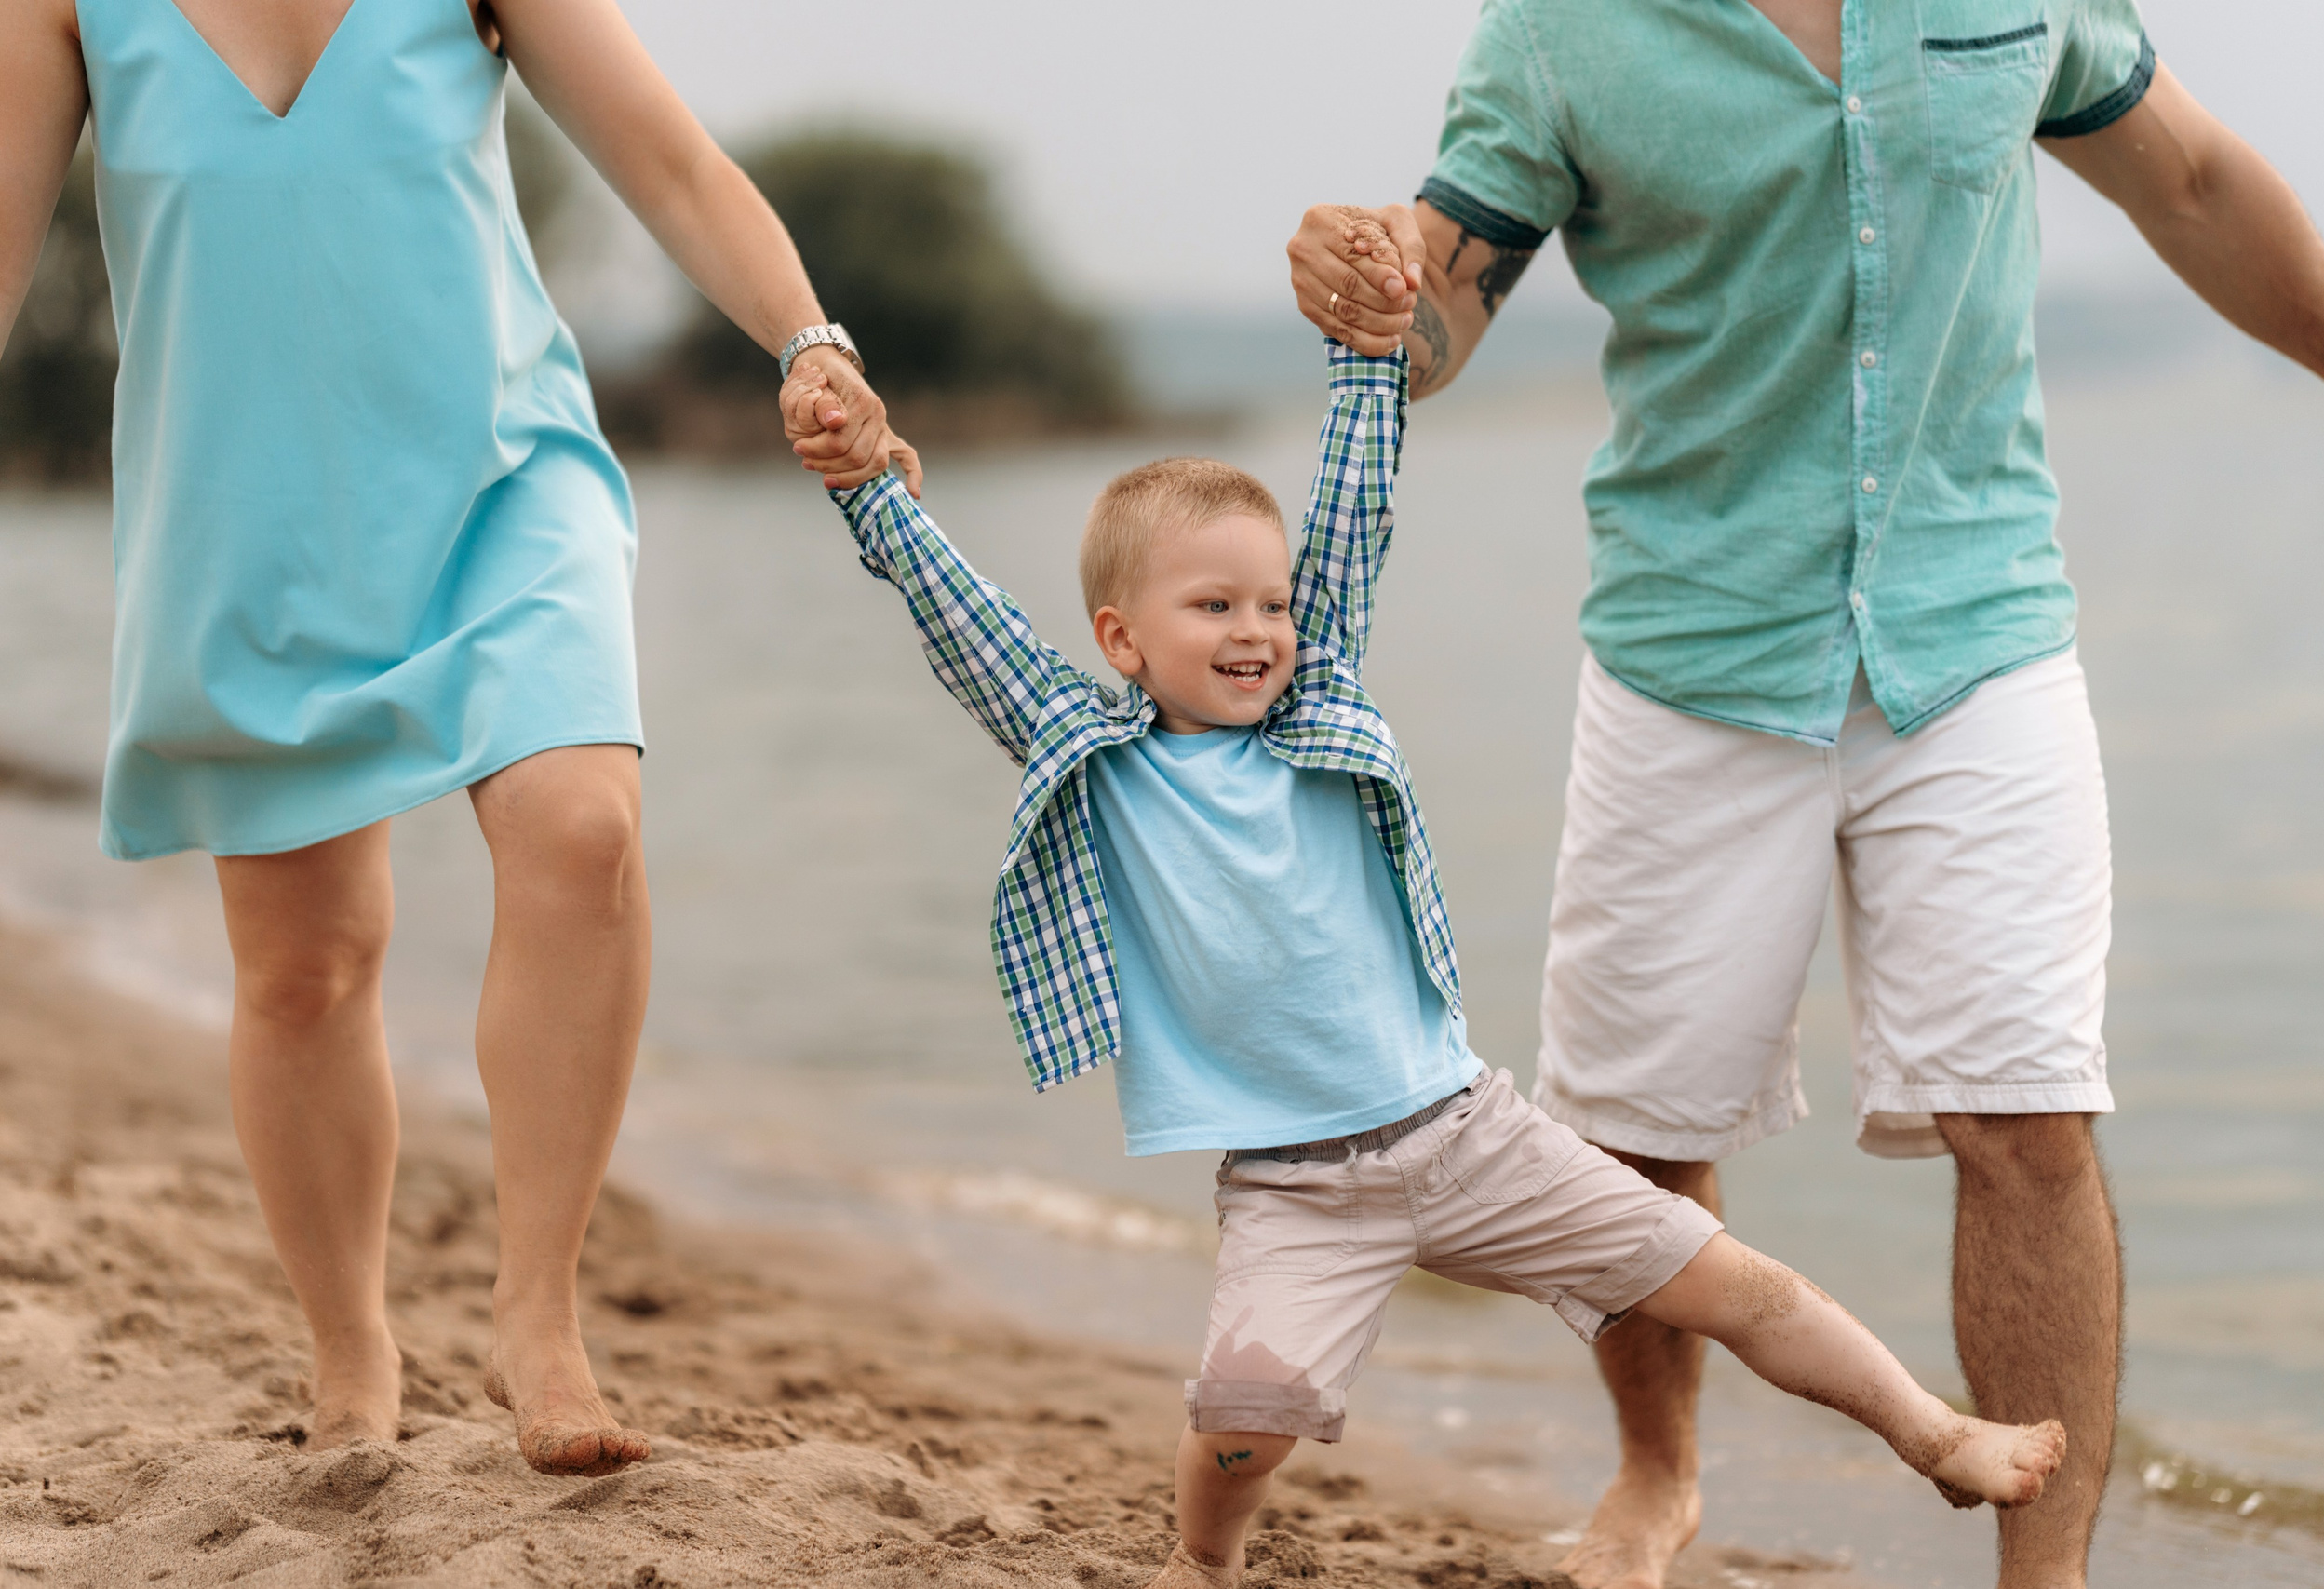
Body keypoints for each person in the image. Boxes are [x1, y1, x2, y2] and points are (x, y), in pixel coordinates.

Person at [1284, 2, 2324, 1584]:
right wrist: (1376, 293)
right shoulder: (1562, 27)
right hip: (1693, 639)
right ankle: (1655, 1484)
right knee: (1634, 1141)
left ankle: (2044, 1574)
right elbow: (1443, 298)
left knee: (2028, 1118)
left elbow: (2193, 181)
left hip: (1978, 632)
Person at [787, 337, 2068, 1589]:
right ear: (1122, 640)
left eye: (1273, 604)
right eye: (1215, 606)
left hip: (1467, 1136)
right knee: (1247, 1418)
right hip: (1296, 1187)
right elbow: (969, 627)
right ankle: (1202, 1560)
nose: (1258, 630)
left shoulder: (1320, 708)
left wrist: (1366, 364)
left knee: (1728, 1281)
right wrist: (869, 493)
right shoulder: (1095, 759)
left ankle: (1935, 1434)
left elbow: (1353, 517)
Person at [0, 0, 914, 1475]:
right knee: (304, 971)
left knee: (584, 830)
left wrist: (808, 342)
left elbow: (670, 165)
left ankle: (537, 1312)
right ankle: (352, 1348)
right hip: (240, 530)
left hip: (502, 480)